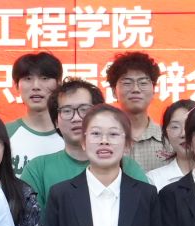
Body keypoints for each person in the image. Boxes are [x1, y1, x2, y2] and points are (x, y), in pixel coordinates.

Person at [20, 78, 146, 212]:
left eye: (84, 110)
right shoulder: (38, 169)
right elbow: (31, 221)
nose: (76, 118)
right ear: (56, 121)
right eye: (67, 111)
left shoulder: (128, 167)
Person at [108, 52, 173, 173]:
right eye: (127, 83)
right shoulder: (104, 139)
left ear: (153, 90)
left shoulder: (170, 139)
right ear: (113, 91)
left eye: (143, 83)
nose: (136, 89)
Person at [6, 51, 66, 168]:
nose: (36, 86)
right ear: (16, 85)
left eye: (44, 78)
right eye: (28, 78)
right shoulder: (4, 133)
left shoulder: (73, 134)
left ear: (59, 83)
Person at [146, 99, 195, 190]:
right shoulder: (154, 180)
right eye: (175, 127)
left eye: (190, 126)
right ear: (166, 134)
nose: (183, 134)